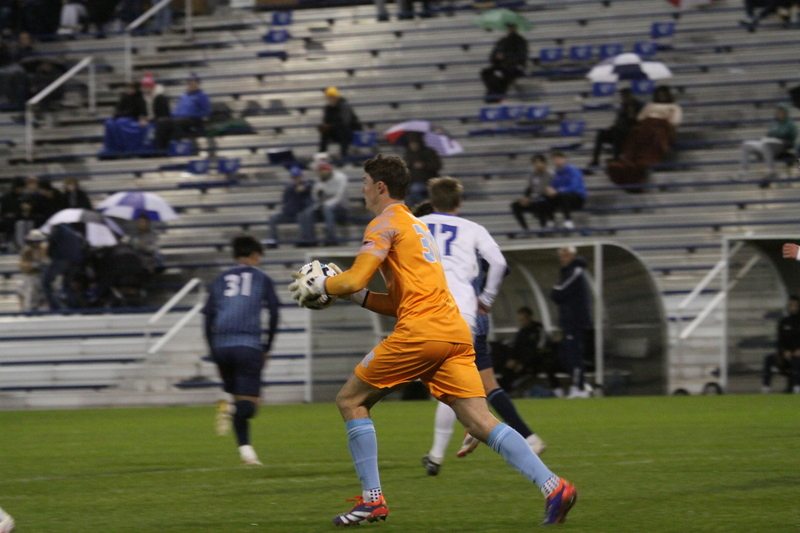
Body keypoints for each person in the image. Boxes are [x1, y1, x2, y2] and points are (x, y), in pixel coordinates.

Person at [288, 155, 577, 527]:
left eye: (363, 182)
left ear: (380, 187)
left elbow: (356, 278)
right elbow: (395, 302)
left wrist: (325, 284)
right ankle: (555, 487)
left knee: (350, 400)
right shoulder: (415, 226)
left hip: (422, 332)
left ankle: (373, 500)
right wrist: (351, 294)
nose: (360, 189)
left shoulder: (384, 222)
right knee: (479, 420)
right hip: (453, 330)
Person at [417, 176, 546, 476]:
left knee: (450, 385)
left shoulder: (418, 228)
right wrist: (484, 295)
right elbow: (501, 264)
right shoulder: (471, 230)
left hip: (435, 313)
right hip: (472, 317)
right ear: (459, 203)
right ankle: (519, 435)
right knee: (482, 385)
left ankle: (451, 444)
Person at [202, 235, 281, 466]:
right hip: (248, 345)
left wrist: (214, 353)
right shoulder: (261, 279)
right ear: (256, 255)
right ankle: (232, 408)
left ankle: (247, 454)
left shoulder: (219, 280)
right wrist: (267, 347)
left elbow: (207, 319)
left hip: (221, 346)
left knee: (238, 398)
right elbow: (274, 312)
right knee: (249, 406)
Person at [608, 85, 681, 190]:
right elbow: (640, 118)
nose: (661, 96)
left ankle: (641, 165)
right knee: (635, 131)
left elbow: (674, 121)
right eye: (659, 93)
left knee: (654, 135)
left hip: (661, 127)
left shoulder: (674, 107)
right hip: (645, 126)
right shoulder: (650, 105)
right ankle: (630, 160)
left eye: (663, 94)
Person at [550, 246, 592, 399]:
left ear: (573, 255)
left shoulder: (576, 271)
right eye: (561, 256)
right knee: (566, 355)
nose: (563, 258)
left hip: (576, 322)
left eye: (566, 255)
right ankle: (578, 385)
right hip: (567, 322)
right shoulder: (567, 271)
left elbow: (558, 292)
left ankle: (578, 387)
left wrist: (555, 291)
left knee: (575, 354)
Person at [497, 307, 560, 395]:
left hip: (536, 361)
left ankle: (556, 388)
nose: (521, 322)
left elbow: (539, 349)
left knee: (546, 364)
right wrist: (512, 359)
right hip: (523, 360)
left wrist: (522, 363)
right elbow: (517, 347)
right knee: (507, 368)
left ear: (529, 318)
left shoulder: (538, 330)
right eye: (520, 320)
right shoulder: (522, 332)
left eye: (523, 319)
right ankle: (504, 392)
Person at [296, 160, 349, 247]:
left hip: (340, 207)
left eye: (325, 169)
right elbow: (314, 197)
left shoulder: (341, 178)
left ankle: (331, 238)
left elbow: (340, 197)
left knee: (327, 209)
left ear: (330, 169)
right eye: (321, 170)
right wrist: (318, 195)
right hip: (323, 206)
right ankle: (309, 239)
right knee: (307, 212)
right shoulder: (318, 180)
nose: (323, 172)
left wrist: (326, 204)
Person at [530, 152, 586, 231]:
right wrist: (550, 190)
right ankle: (551, 221)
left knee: (563, 195)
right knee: (543, 198)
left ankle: (568, 221)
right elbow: (554, 186)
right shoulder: (556, 173)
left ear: (564, 159)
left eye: (558, 159)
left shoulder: (573, 170)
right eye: (555, 160)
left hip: (578, 197)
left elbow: (574, 186)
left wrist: (559, 190)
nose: (557, 161)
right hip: (563, 197)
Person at [740, 104, 797, 180]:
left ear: (786, 113)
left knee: (766, 144)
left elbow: (792, 139)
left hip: (781, 146)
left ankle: (771, 171)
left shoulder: (791, 125)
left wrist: (784, 142)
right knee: (746, 145)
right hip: (767, 143)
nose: (780, 114)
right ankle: (743, 172)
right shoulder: (774, 123)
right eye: (778, 112)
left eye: (782, 112)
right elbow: (768, 134)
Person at [155, 73, 211, 151]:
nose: (191, 84)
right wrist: (171, 115)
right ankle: (161, 149)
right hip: (179, 117)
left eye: (193, 82)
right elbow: (178, 109)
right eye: (189, 82)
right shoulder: (184, 95)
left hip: (192, 119)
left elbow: (206, 112)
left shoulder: (202, 96)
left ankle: (176, 149)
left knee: (178, 122)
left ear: (198, 84)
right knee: (162, 121)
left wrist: (191, 114)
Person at [590, 88, 643, 167]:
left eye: (626, 95)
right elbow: (619, 121)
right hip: (619, 130)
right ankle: (595, 160)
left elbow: (639, 121)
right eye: (623, 96)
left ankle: (616, 157)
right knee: (601, 134)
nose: (624, 98)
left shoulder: (638, 105)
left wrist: (632, 116)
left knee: (618, 132)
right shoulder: (623, 106)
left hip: (630, 133)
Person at [265, 165, 313, 249]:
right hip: (287, 214)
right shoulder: (289, 187)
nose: (295, 179)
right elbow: (285, 201)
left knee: (303, 215)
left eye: (297, 177)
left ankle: (303, 240)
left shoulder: (306, 184)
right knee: (273, 216)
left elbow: (309, 185)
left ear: (301, 176)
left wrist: (304, 187)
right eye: (294, 177)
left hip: (299, 214)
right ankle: (273, 241)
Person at [481, 24, 528, 103]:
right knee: (485, 73)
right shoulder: (502, 41)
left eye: (512, 26)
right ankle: (498, 95)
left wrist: (505, 57)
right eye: (509, 26)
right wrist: (496, 57)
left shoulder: (520, 41)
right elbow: (493, 56)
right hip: (501, 66)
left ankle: (493, 97)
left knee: (498, 77)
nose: (510, 28)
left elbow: (521, 56)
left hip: (513, 66)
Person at [762, 296, 800, 394]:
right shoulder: (784, 322)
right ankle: (766, 388)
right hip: (786, 354)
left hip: (797, 355)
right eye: (791, 305)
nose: (793, 308)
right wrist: (782, 352)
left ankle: (796, 387)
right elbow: (780, 341)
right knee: (769, 359)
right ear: (788, 307)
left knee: (796, 359)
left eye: (796, 305)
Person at [41, 222, 84, 310]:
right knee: (67, 284)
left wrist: (49, 254)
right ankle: (75, 306)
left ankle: (55, 307)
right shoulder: (73, 231)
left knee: (46, 282)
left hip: (61, 259)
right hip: (75, 261)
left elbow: (52, 241)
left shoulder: (58, 228)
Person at [510, 154, 551, 231]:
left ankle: (544, 227)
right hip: (535, 199)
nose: (536, 165)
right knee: (515, 205)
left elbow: (543, 190)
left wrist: (532, 199)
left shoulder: (549, 175)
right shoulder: (533, 175)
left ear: (544, 163)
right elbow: (529, 188)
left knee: (540, 203)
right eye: (534, 163)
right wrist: (525, 198)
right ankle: (526, 229)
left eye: (538, 162)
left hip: (546, 200)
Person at [318, 87, 360, 159]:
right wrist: (324, 126)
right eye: (328, 98)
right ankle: (321, 156)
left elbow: (346, 123)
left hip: (349, 132)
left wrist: (331, 126)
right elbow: (326, 121)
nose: (330, 100)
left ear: (336, 98)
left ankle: (344, 156)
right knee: (324, 133)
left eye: (332, 98)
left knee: (344, 131)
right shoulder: (328, 108)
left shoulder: (344, 106)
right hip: (336, 131)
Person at [404, 133, 442, 208]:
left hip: (428, 180)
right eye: (411, 143)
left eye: (414, 143)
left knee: (415, 189)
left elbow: (437, 165)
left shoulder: (429, 152)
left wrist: (424, 165)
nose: (413, 145)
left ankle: (421, 208)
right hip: (413, 181)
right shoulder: (408, 154)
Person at [18, 228, 48, 312]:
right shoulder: (26, 251)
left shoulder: (44, 248)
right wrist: (32, 265)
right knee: (25, 289)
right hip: (30, 276)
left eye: (38, 241)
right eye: (35, 241)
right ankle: (26, 310)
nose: (36, 244)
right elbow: (22, 265)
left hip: (43, 276)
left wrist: (45, 263)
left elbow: (48, 261)